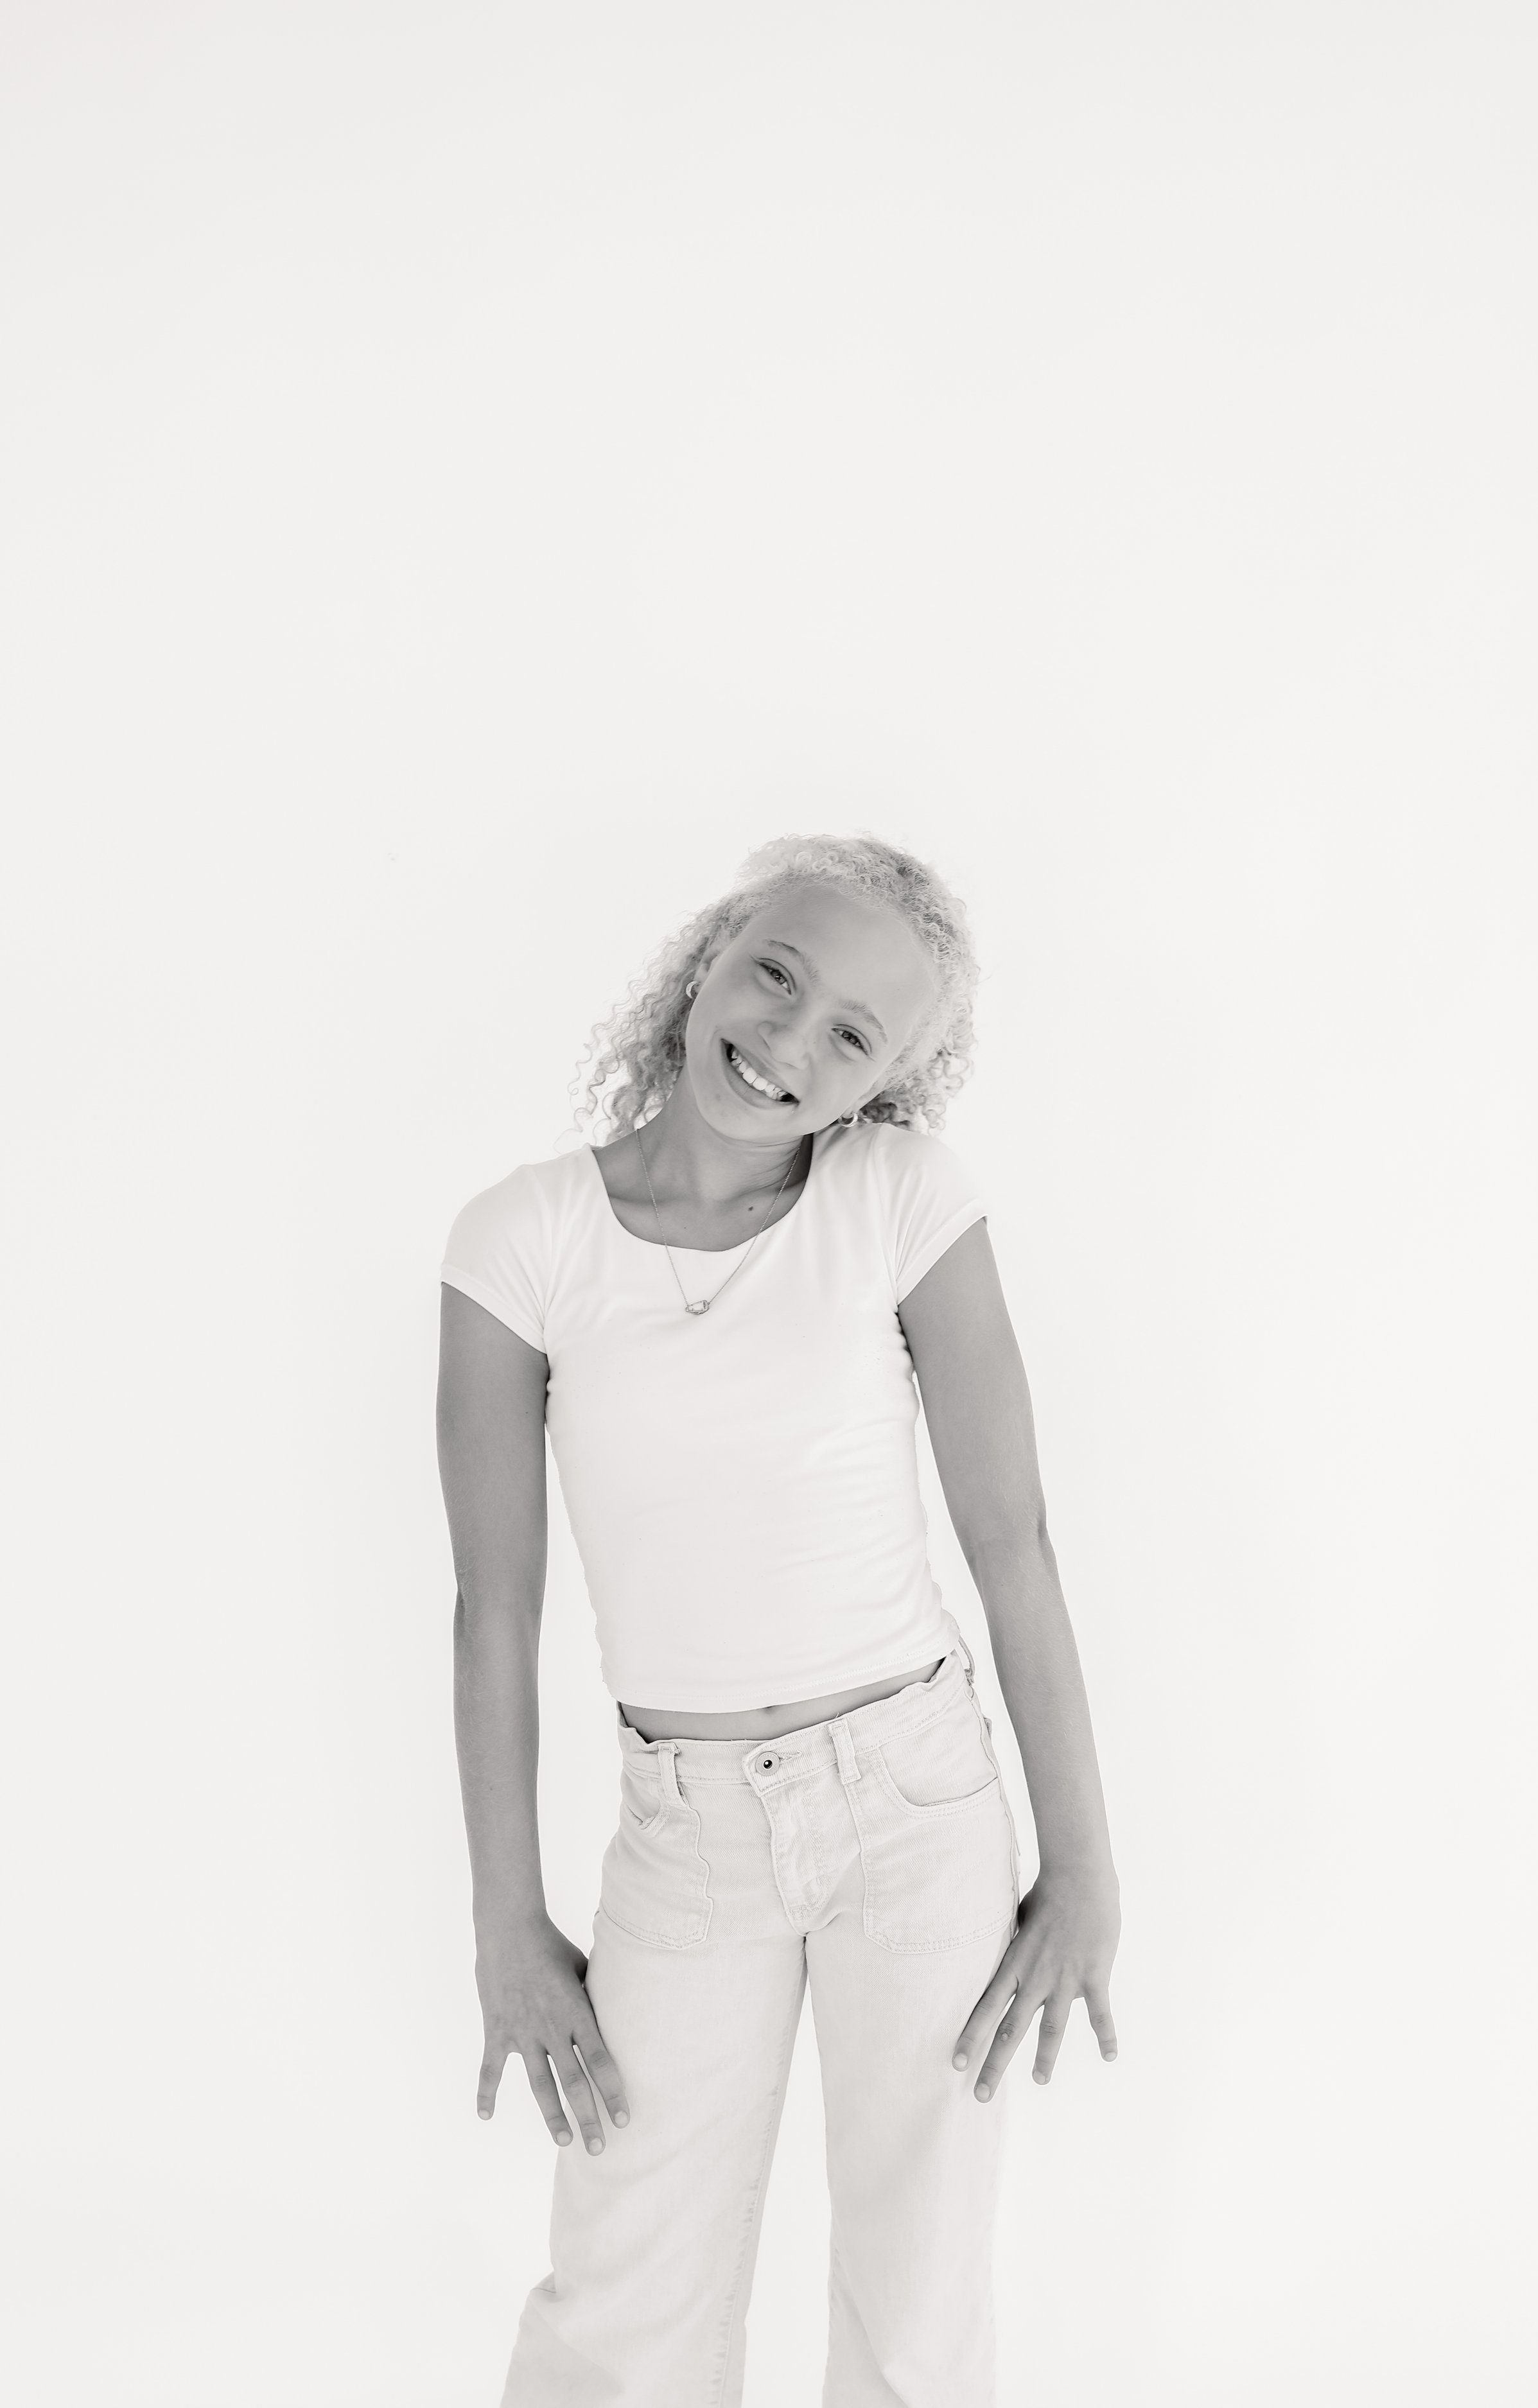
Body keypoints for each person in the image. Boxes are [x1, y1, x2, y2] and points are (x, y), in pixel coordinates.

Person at [436, 832, 1121, 2407]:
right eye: (777, 976)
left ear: (887, 1082)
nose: (786, 1040)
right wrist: (504, 1926)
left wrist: (1081, 1867)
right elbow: (493, 1607)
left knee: (916, 2296)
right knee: (622, 2293)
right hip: (684, 1835)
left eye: (851, 1038)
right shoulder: (520, 1240)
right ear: (711, 953)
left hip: (917, 1799)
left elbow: (1011, 1544)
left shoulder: (899, 1200)